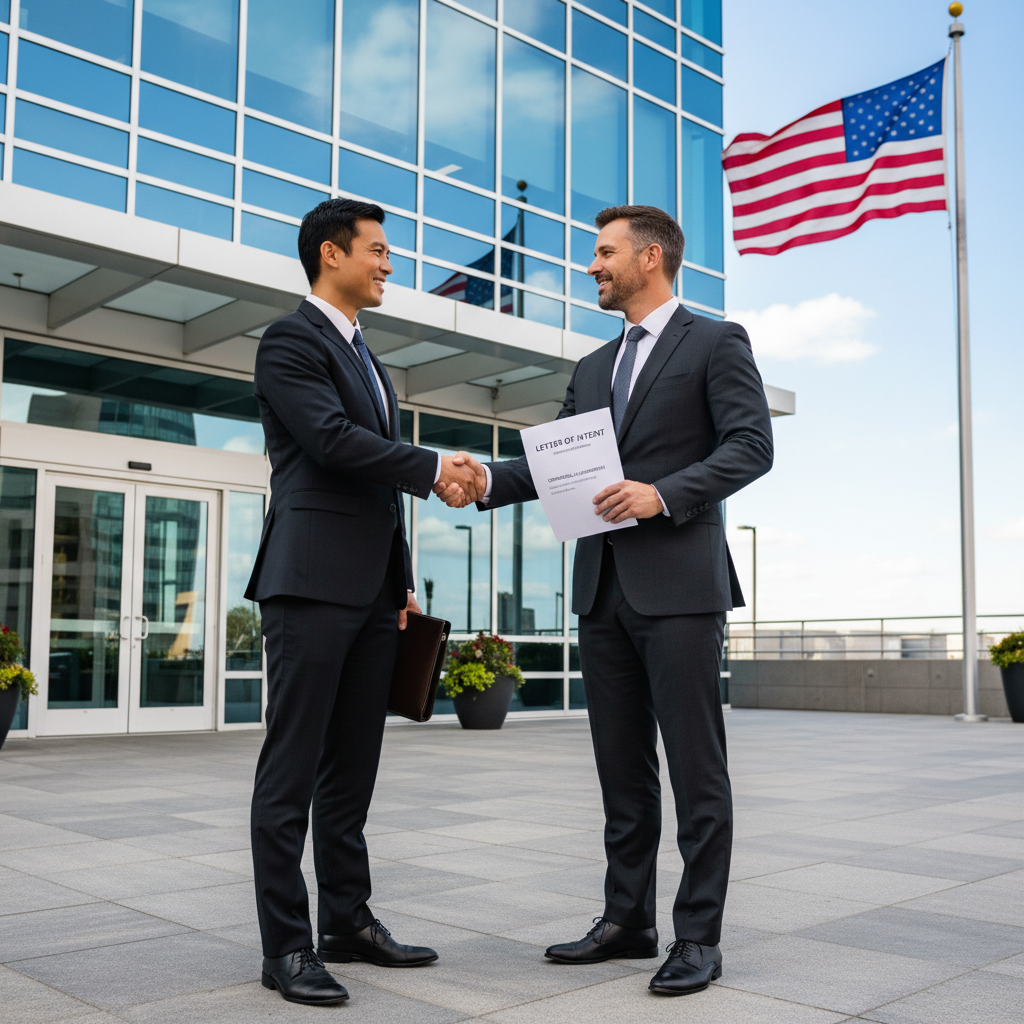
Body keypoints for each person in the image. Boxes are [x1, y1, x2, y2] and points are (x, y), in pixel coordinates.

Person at [438, 205, 773, 996]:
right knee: (620, 772)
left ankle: (698, 936)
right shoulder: (592, 367)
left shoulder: (716, 341)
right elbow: (554, 464)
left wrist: (664, 494)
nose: (592, 266)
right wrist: (482, 479)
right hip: (602, 592)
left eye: (603, 253)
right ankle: (628, 920)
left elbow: (752, 446)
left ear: (649, 257)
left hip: (681, 590)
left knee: (697, 772)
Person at [245, 198, 485, 1006]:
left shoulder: (369, 357)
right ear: (329, 253)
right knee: (292, 771)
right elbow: (332, 443)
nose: (389, 264)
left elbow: (376, 493)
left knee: (351, 773)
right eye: (378, 251)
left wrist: (403, 580)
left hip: (373, 592)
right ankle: (287, 947)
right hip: (308, 584)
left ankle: (347, 920)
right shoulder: (290, 341)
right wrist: (431, 466)